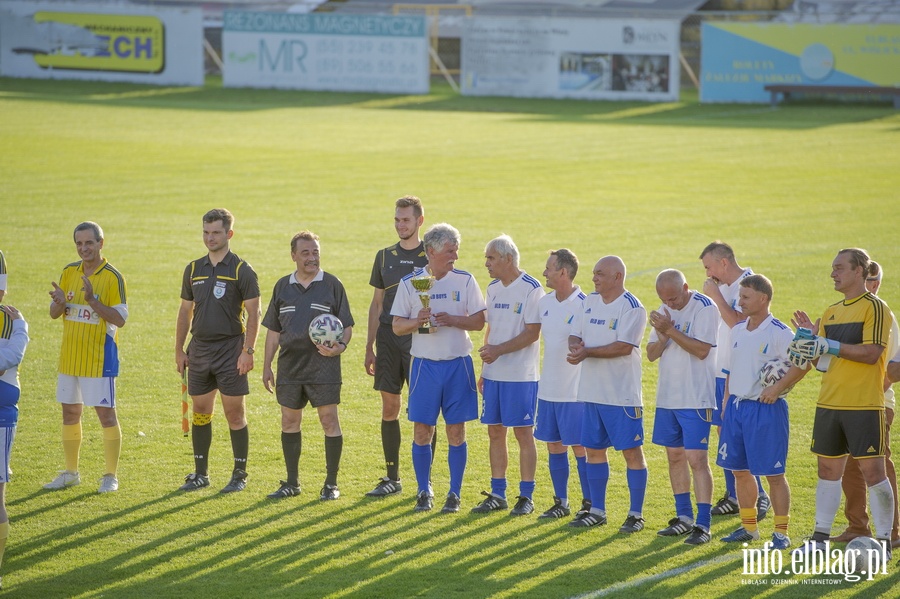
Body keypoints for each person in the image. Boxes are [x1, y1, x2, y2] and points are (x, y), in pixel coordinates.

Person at [789, 248, 895, 557]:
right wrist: (806, 341)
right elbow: (822, 362)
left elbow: (873, 353)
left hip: (864, 404)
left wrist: (829, 344)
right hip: (829, 404)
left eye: (839, 268)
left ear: (860, 271)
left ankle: (885, 541)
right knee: (827, 469)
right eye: (833, 268)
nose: (833, 273)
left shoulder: (875, 308)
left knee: (874, 472)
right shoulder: (832, 311)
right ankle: (820, 536)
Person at [391, 223, 486, 513]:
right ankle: (424, 490)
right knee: (423, 431)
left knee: (456, 432)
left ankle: (454, 494)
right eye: (450, 251)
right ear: (431, 251)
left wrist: (453, 320)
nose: (455, 256)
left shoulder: (465, 281)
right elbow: (397, 326)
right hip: (424, 368)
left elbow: (480, 322)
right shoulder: (410, 284)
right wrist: (418, 321)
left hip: (457, 366)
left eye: (456, 250)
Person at [262, 231, 354, 501]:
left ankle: (331, 484)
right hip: (290, 366)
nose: (312, 257)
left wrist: (341, 347)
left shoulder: (332, 284)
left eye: (315, 252)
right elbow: (273, 331)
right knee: (289, 421)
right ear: (293, 256)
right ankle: (291, 483)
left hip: (323, 366)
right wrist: (267, 365)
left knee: (328, 421)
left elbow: (346, 326)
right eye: (305, 253)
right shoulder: (282, 287)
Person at [176, 209, 260, 493]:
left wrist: (248, 351)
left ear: (229, 234)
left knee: (234, 413)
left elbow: (254, 312)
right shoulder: (193, 268)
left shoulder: (241, 270)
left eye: (216, 233)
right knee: (200, 410)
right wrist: (179, 349)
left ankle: (239, 474)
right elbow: (185, 312)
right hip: (199, 349)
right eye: (206, 232)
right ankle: (201, 473)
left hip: (230, 349)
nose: (210, 238)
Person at [717, 275, 801, 550]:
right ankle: (749, 528)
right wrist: (726, 408)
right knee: (740, 471)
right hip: (737, 409)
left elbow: (803, 364)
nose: (739, 302)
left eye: (745, 297)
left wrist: (776, 388)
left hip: (766, 410)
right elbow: (729, 373)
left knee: (773, 474)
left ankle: (781, 532)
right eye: (740, 296)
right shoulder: (738, 331)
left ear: (763, 299)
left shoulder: (779, 332)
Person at [567, 256, 648, 533]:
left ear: (617, 277)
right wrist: (577, 346)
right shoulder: (588, 301)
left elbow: (624, 347)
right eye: (593, 274)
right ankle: (598, 510)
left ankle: (636, 514)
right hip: (591, 393)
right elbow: (574, 333)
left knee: (631, 453)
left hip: (621, 396)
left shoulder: (633, 307)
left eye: (599, 274)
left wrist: (587, 352)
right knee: (593, 451)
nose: (594, 278)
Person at [45, 222, 127, 494]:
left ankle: (110, 476)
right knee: (70, 412)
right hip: (70, 359)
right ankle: (71, 473)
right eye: (79, 244)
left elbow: (120, 320)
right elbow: (55, 314)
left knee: (105, 415)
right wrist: (58, 303)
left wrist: (92, 300)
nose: (83, 248)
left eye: (89, 243)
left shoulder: (113, 277)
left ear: (101, 243)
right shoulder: (69, 272)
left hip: (99, 359)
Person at [829, 260, 900, 547]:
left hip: (875, 403)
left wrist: (872, 390)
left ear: (876, 283)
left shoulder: (884, 315)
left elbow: (895, 366)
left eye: (873, 283)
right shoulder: (842, 312)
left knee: (878, 467)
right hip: (845, 403)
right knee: (848, 467)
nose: (868, 288)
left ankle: (893, 531)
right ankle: (858, 526)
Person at [646, 270, 719, 545]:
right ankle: (683, 517)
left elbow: (702, 350)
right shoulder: (665, 310)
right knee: (674, 457)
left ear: (686, 287)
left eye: (674, 298)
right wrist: (663, 336)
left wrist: (670, 330)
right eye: (665, 299)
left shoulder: (705, 308)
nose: (671, 304)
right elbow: (651, 354)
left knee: (697, 460)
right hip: (668, 398)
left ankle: (703, 523)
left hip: (696, 397)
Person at [473, 235, 543, 516]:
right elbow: (490, 329)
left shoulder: (531, 289)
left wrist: (498, 351)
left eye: (491, 258)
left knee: (524, 435)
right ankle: (498, 493)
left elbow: (533, 332)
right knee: (494, 432)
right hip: (494, 374)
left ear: (507, 259)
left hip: (521, 377)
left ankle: (526, 496)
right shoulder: (492, 288)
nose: (486, 263)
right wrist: (485, 368)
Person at [699, 241, 770, 520]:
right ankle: (733, 495)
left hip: (741, 374)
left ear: (723, 263)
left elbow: (742, 324)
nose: (707, 272)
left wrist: (715, 296)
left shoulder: (749, 284)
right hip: (717, 372)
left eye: (708, 266)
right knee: (723, 434)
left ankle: (760, 493)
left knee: (741, 435)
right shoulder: (722, 287)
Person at [364, 196, 429, 497]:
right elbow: (377, 303)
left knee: (422, 410)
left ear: (420, 221)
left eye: (406, 219)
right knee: (390, 407)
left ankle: (424, 482)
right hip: (388, 339)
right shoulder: (383, 256)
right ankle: (392, 478)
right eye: (397, 219)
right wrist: (369, 346)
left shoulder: (431, 255)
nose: (400, 224)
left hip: (419, 340)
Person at [534, 249, 590, 520]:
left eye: (549, 268)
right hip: (548, 389)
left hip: (575, 391)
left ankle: (589, 503)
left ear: (563, 272)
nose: (544, 272)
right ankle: (561, 502)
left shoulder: (584, 304)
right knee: (554, 445)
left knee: (580, 447)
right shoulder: (544, 303)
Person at [0, 304, 29, 590]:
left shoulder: (4, 318)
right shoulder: (11, 322)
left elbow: (8, 359)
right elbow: (10, 357)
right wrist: (22, 327)